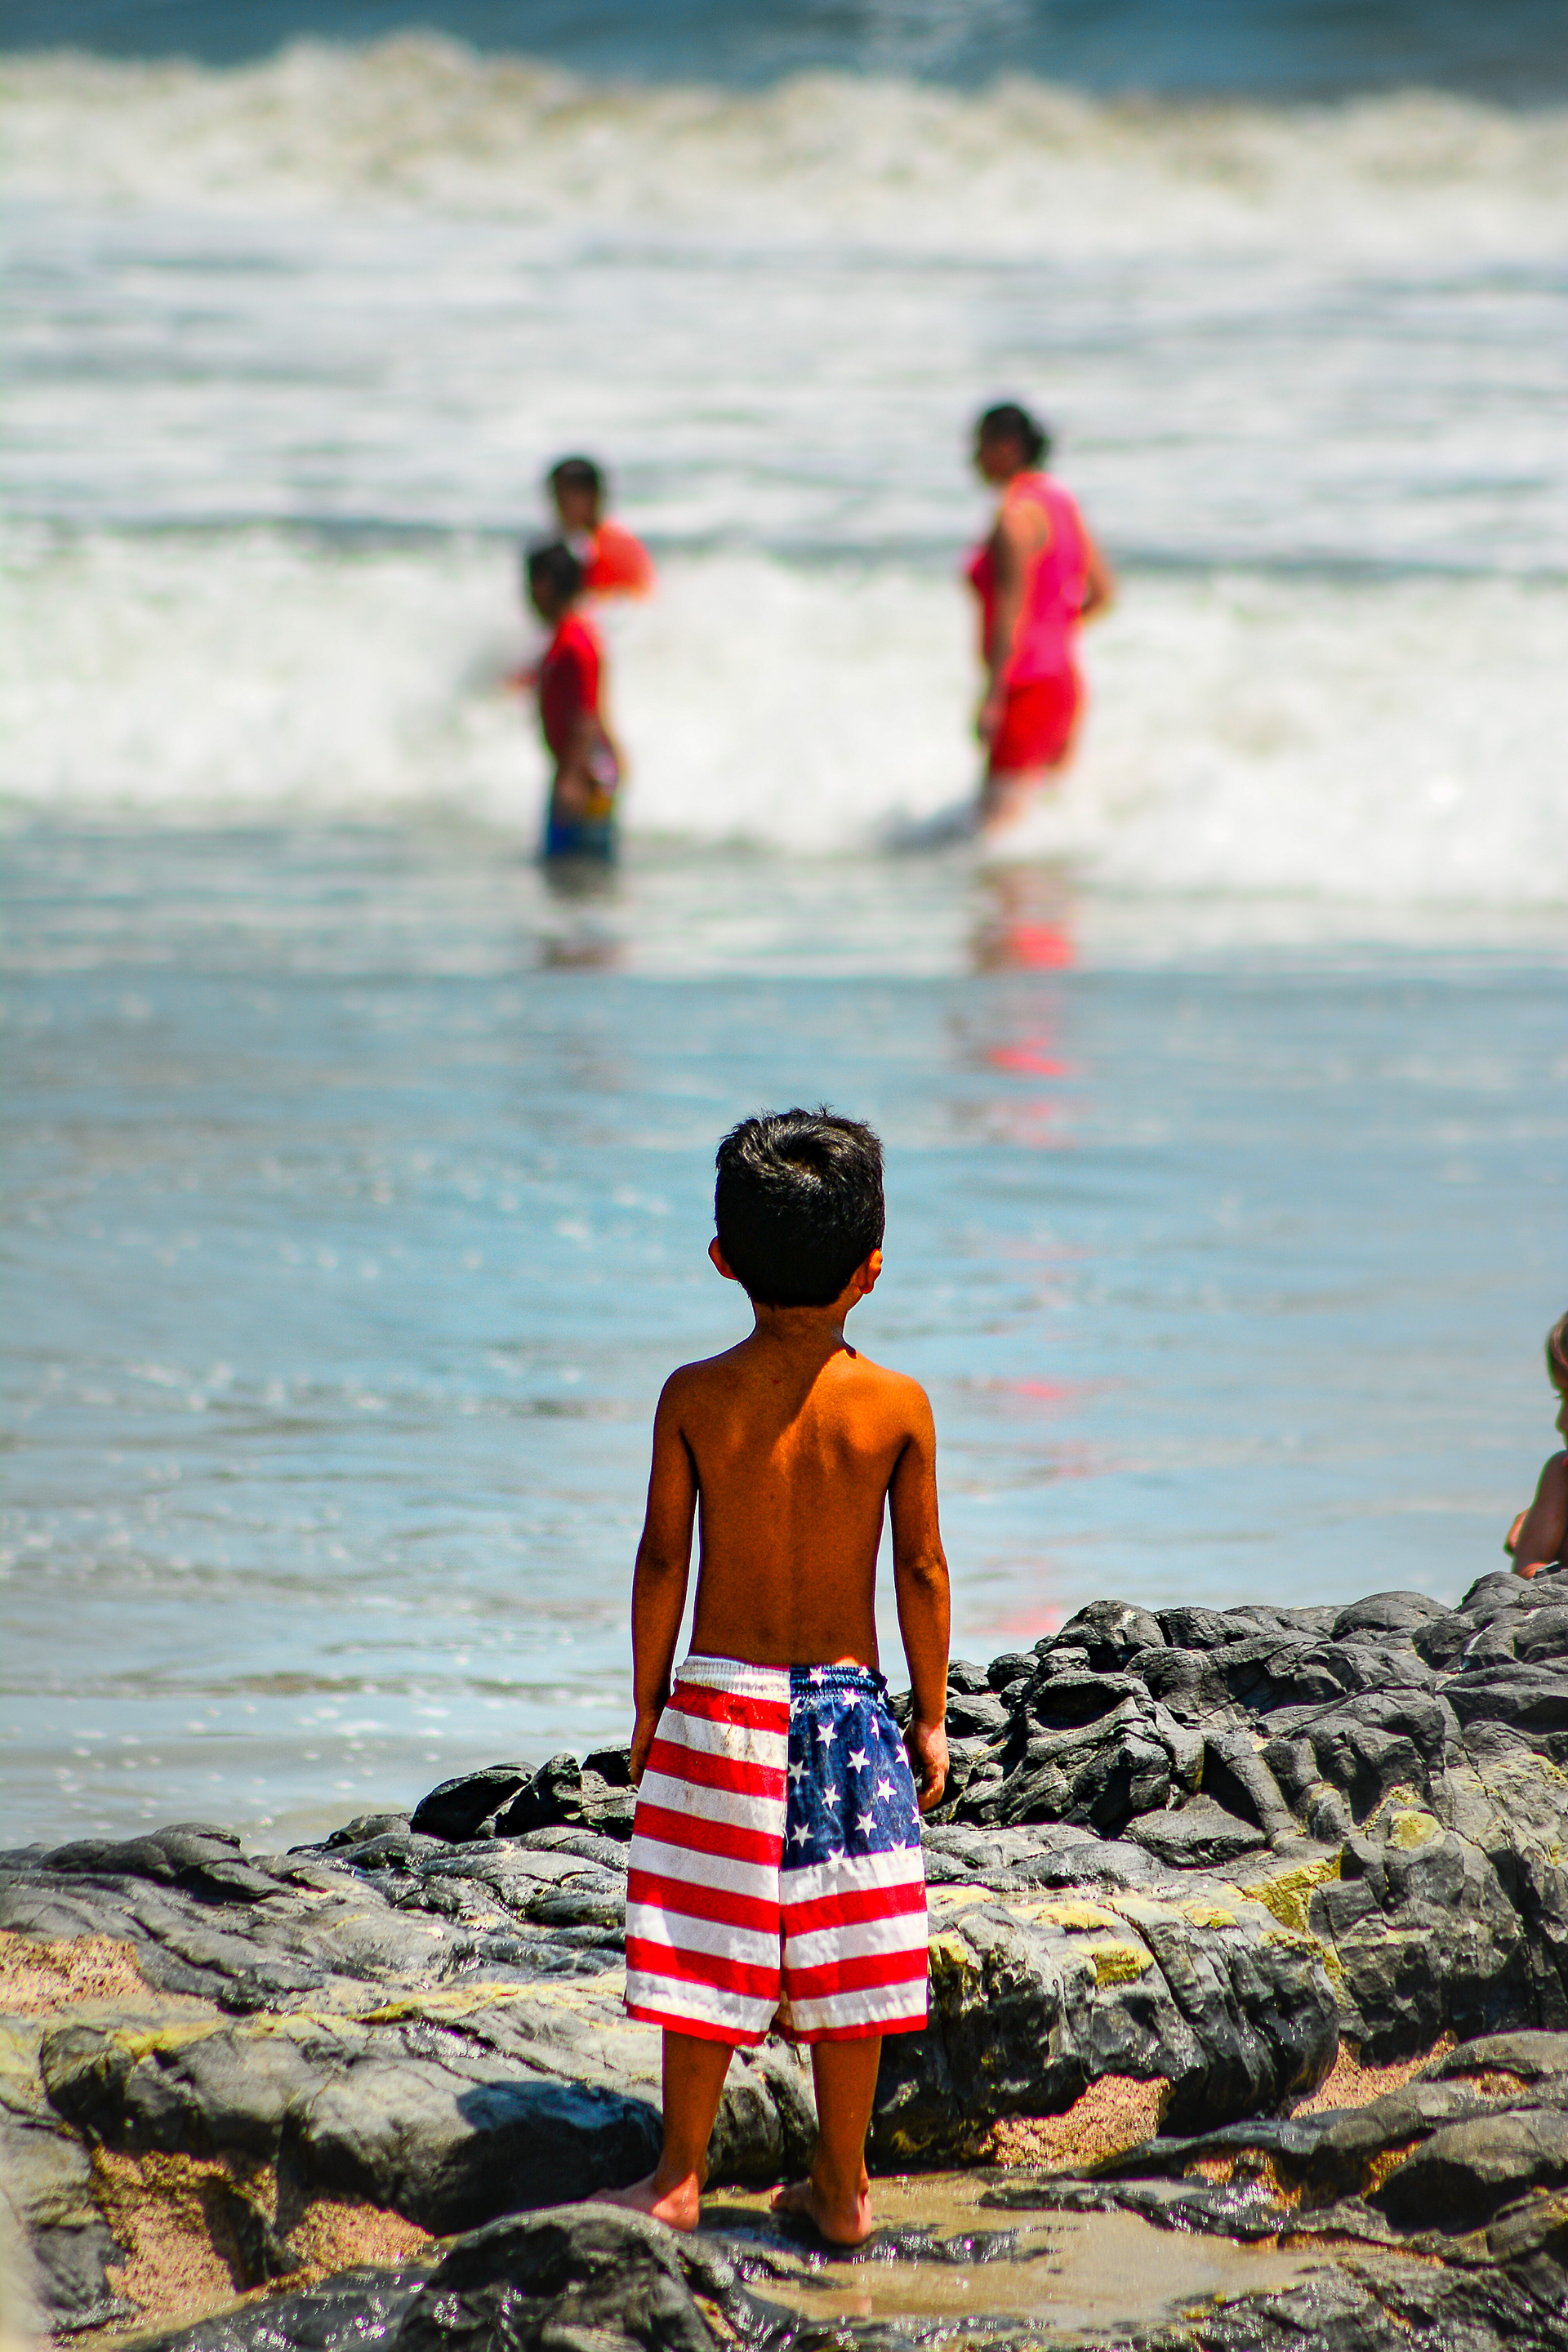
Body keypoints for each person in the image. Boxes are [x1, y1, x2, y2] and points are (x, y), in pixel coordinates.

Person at [596, 1109, 951, 2245]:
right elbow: (923, 1571)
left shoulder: (694, 1397)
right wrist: (932, 1719)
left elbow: (662, 1556)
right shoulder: (896, 1407)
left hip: (718, 1705)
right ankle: (841, 2184)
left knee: (703, 1942)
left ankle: (679, 2176)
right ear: (873, 1268)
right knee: (851, 1956)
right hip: (847, 1711)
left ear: (724, 1260)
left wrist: (648, 1706)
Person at [966, 400, 1115, 832]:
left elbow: (1008, 612)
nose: (973, 460)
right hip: (1064, 682)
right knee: (1041, 824)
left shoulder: (1014, 516)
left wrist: (992, 696)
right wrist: (1053, 633)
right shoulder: (1061, 503)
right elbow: (1103, 593)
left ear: (1007, 448)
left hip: (1025, 686)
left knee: (997, 833)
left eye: (981, 446)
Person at [526, 540, 622, 861]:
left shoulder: (575, 642)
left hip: (583, 774)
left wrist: (570, 778)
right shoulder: (566, 638)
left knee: (576, 879)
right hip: (578, 768)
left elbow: (586, 713)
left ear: (544, 585)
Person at [1505, 1312, 1568, 1578]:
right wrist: (1541, 1574)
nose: (1562, 1422)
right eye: (1562, 1397)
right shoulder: (1562, 1476)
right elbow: (1529, 1566)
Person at [548, 455, 656, 599]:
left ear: (592, 496)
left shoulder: (603, 550)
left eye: (562, 498)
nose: (557, 508)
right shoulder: (608, 541)